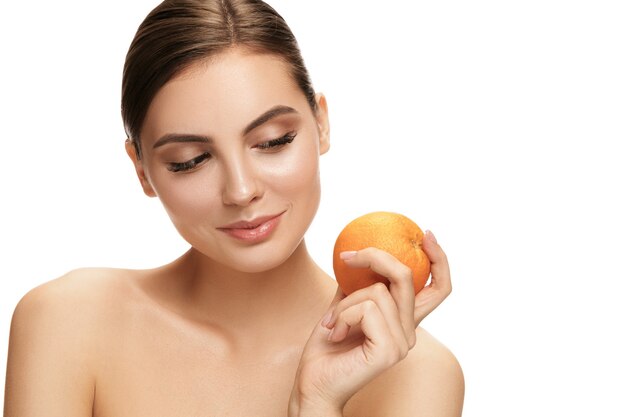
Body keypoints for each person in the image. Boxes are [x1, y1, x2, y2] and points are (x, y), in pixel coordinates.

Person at [4, 0, 464, 415]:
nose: (241, 191)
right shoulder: (67, 323)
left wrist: (317, 403)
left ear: (321, 124)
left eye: (273, 141)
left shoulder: (417, 372)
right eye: (191, 161)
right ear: (142, 170)